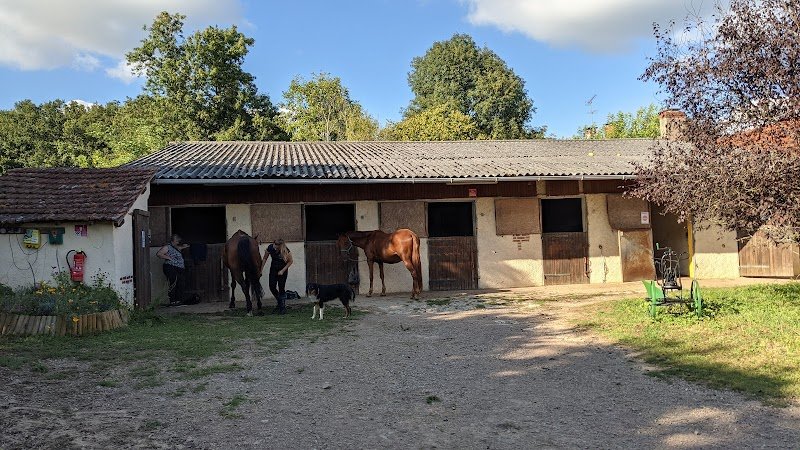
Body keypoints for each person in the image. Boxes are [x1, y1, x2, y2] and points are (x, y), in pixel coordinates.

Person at [157, 234, 189, 306]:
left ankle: (178, 300)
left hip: (178, 268)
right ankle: (173, 301)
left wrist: (185, 246)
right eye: (176, 241)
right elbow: (159, 254)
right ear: (173, 241)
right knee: (174, 283)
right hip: (171, 267)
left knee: (180, 283)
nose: (178, 242)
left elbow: (181, 247)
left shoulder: (176, 247)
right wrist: (168, 258)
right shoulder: (167, 247)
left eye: (178, 241)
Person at [264, 238, 293, 314]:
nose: (275, 245)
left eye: (277, 244)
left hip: (282, 271)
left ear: (281, 245)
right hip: (273, 269)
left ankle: (282, 308)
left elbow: (290, 261)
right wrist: (260, 269)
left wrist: (283, 270)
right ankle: (280, 302)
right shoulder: (270, 247)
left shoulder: (285, 250)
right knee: (272, 286)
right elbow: (264, 258)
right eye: (274, 243)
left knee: (281, 287)